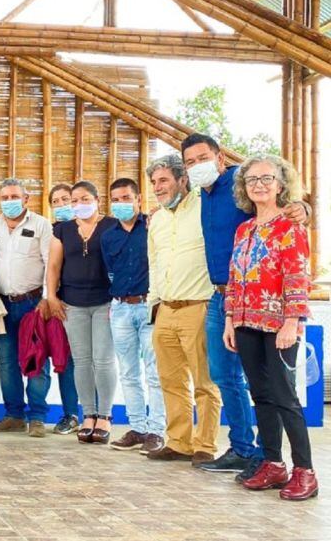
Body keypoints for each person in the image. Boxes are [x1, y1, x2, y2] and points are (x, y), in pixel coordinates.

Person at [182, 133, 309, 477]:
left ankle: (282, 462)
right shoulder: (201, 194)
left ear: (220, 158)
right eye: (190, 162)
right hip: (225, 298)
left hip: (267, 306)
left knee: (273, 390)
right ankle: (249, 451)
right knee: (225, 376)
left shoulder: (241, 181)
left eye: (202, 158)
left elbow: (285, 205)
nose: (197, 166)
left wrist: (303, 208)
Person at [224, 155, 316, 500]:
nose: (259, 185)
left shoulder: (290, 227)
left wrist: (293, 321)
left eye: (267, 178)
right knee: (260, 395)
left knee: (284, 397)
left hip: (279, 325)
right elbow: (234, 279)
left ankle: (305, 471)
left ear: (281, 184)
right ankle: (273, 463)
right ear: (244, 188)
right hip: (246, 323)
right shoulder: (243, 229)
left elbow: (297, 278)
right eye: (252, 180)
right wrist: (231, 320)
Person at [143, 154, 221, 465]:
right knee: (171, 381)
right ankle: (178, 442)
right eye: (154, 182)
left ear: (181, 179)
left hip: (199, 305)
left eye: (163, 180)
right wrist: (155, 305)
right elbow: (154, 263)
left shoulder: (206, 207)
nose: (157, 187)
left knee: (205, 382)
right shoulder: (157, 220)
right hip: (165, 309)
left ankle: (205, 445)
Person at [46, 181, 118, 444]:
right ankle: (88, 414)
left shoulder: (111, 225)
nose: (79, 205)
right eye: (74, 200)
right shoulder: (62, 230)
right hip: (72, 305)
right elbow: (54, 265)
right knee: (82, 360)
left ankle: (105, 416)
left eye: (85, 199)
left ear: (98, 200)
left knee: (103, 360)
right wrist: (51, 296)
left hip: (106, 302)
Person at [100, 178, 165, 454]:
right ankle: (137, 427)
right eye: (116, 199)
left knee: (155, 372)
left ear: (139, 199)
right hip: (120, 308)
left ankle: (156, 431)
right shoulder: (108, 236)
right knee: (128, 372)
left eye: (126, 197)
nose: (121, 203)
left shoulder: (153, 227)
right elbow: (109, 270)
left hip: (149, 306)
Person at [0, 179, 54, 438]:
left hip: (33, 303)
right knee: (6, 363)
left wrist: (47, 298)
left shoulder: (41, 225)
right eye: (4, 197)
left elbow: (51, 263)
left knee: (36, 362)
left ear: (26, 199)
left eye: (14, 196)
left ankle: (37, 417)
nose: (9, 201)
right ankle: (13, 415)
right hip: (2, 305)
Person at [46, 183, 81, 434]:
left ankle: (98, 415)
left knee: (92, 362)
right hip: (61, 306)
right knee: (64, 361)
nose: (61, 206)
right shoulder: (53, 232)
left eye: (65, 200)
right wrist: (51, 297)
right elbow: (50, 268)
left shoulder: (94, 229)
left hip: (92, 304)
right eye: (55, 202)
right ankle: (70, 414)